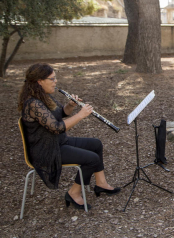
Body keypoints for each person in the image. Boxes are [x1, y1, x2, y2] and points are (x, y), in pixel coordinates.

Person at [18, 63, 121, 210]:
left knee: (96, 144)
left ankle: (101, 184)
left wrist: (71, 105)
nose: (56, 81)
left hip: (58, 142)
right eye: (52, 79)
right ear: (40, 82)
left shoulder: (44, 97)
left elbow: (61, 113)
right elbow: (56, 128)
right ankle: (73, 193)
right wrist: (80, 115)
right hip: (47, 150)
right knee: (92, 159)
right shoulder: (33, 104)